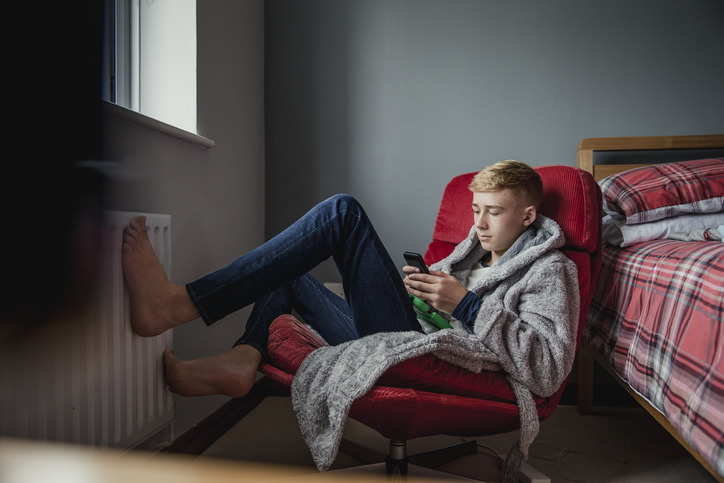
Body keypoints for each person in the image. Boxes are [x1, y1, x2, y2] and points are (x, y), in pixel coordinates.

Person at [123, 160, 580, 482]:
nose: (479, 224)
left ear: (528, 215)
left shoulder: (550, 271)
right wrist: (420, 294)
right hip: (415, 335)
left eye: (493, 212)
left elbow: (547, 368)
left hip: (433, 357)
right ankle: (246, 356)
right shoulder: (470, 254)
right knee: (288, 268)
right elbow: (442, 312)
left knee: (343, 212)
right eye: (476, 209)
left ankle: (181, 304)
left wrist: (466, 305)